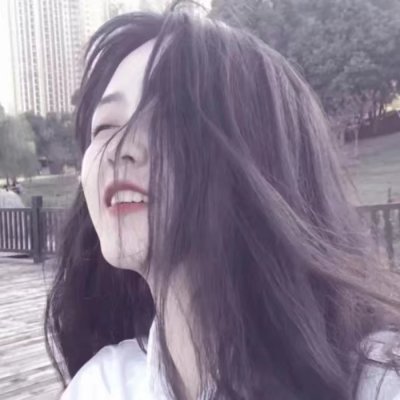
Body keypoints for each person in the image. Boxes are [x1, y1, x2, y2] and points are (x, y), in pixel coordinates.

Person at [44, 5, 400, 400]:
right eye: (105, 126)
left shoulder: (378, 382)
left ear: (264, 157)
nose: (118, 148)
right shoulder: (102, 387)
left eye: (172, 117)